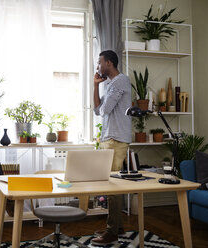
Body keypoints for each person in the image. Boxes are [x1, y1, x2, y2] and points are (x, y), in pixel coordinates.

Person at [91, 50, 132, 245]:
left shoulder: (120, 81)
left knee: (113, 186)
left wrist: (101, 88)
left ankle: (112, 232)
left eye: (100, 63)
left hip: (116, 139)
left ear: (109, 63)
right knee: (110, 185)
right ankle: (118, 227)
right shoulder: (110, 85)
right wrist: (95, 86)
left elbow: (105, 109)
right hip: (108, 138)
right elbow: (98, 110)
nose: (98, 67)